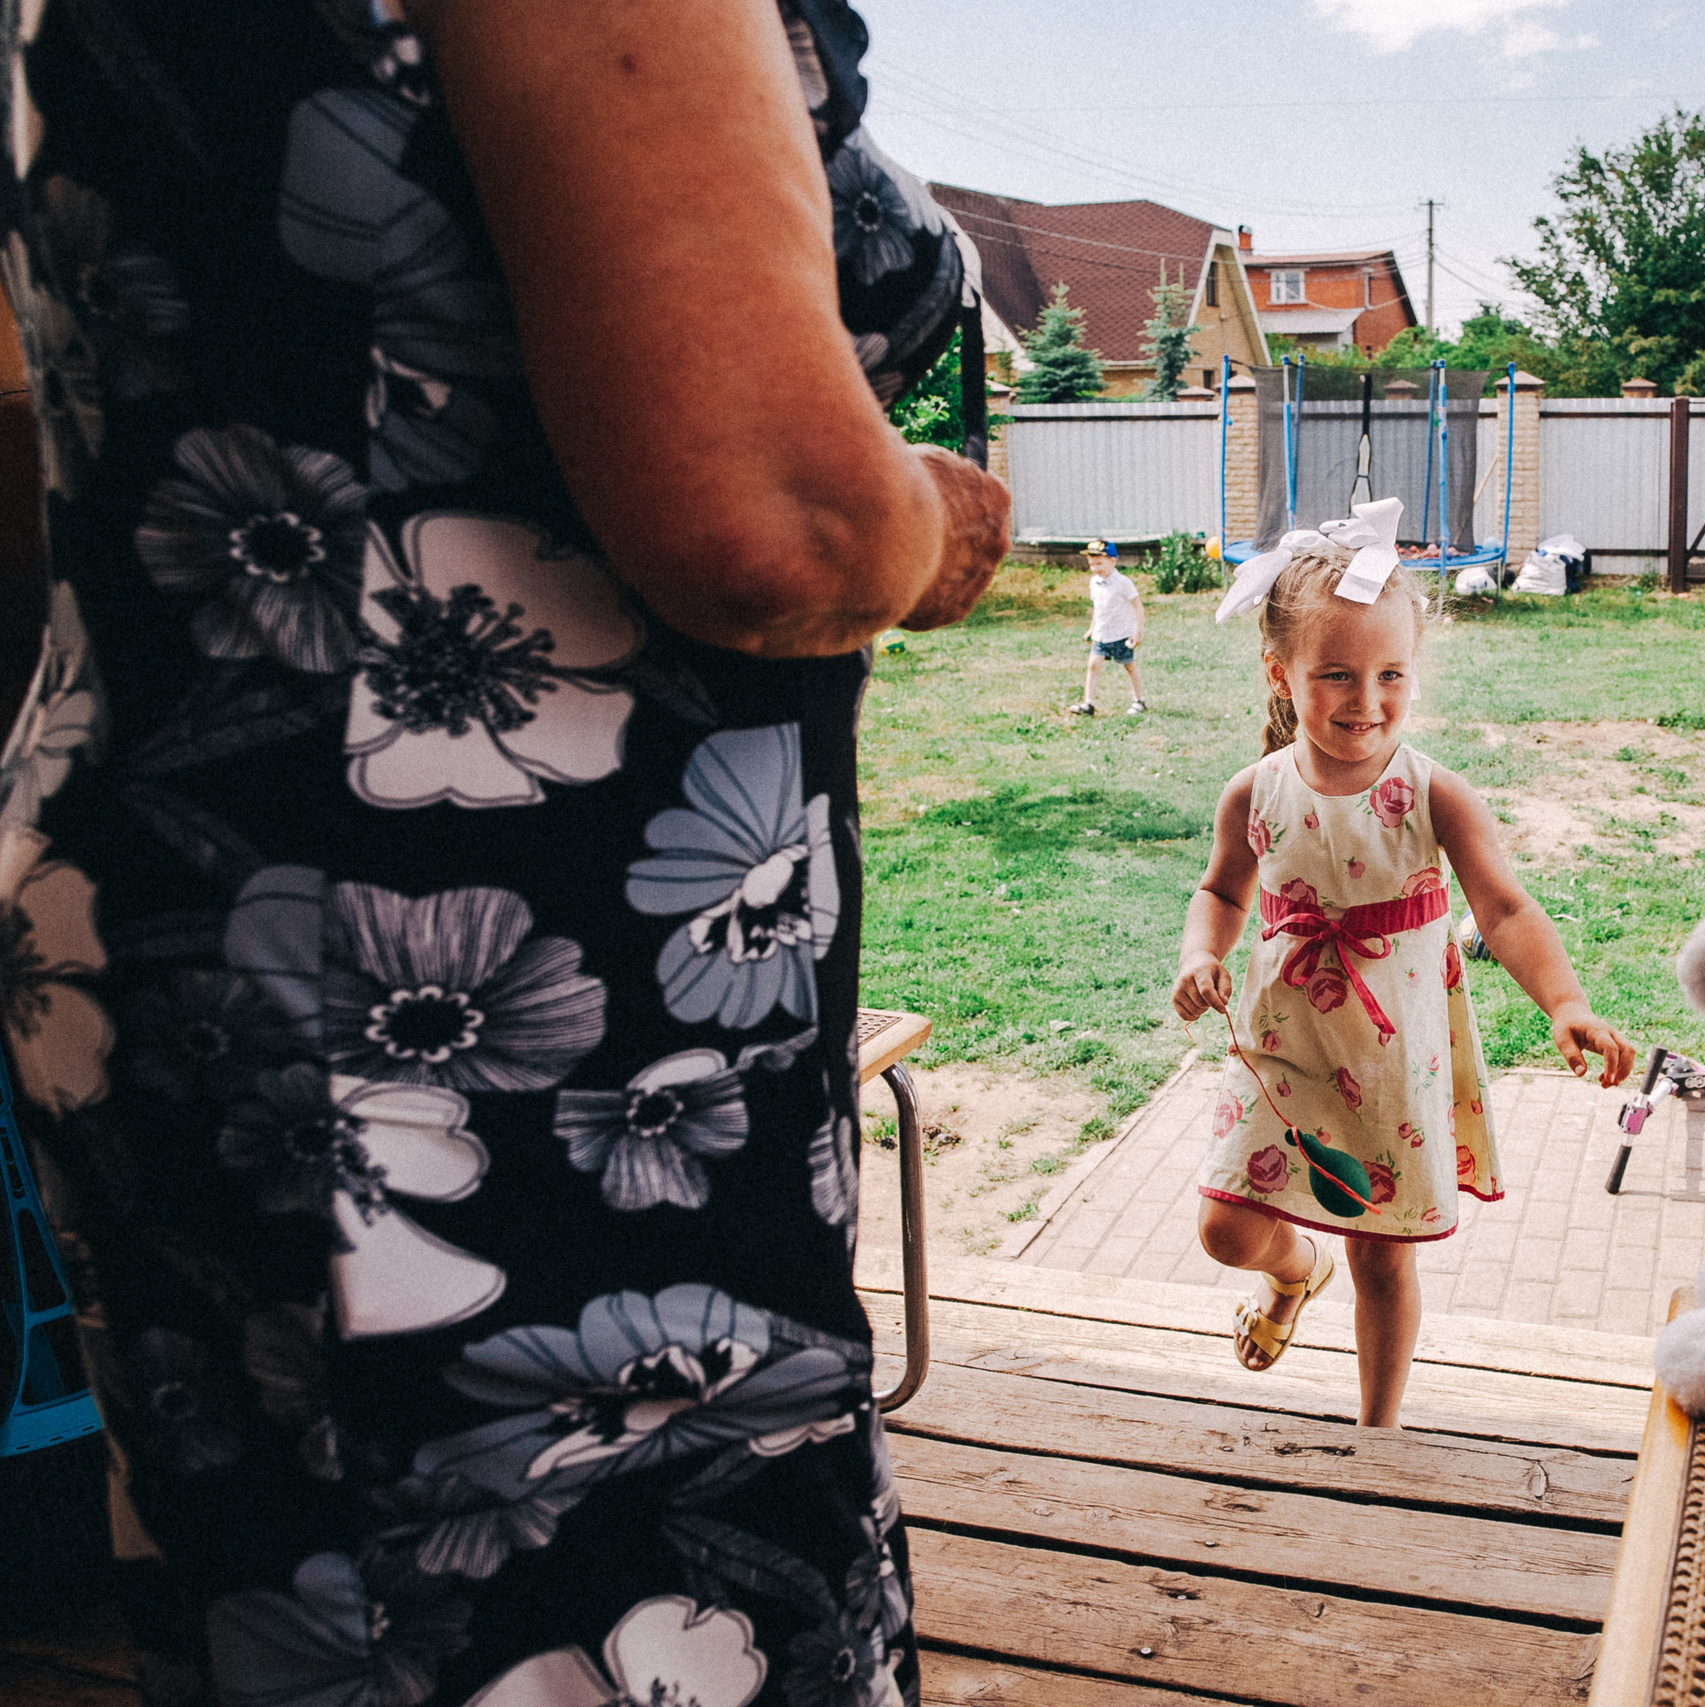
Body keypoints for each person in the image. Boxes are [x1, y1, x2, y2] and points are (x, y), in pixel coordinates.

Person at [0, 2, 1004, 1703]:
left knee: (324, 1601)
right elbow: (766, 523)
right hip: (466, 983)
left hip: (215, 886)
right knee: (596, 1605)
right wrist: (925, 524)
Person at [1168, 517, 1634, 1429]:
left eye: (1390, 675)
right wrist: (1201, 952)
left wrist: (1567, 1002)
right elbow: (1221, 891)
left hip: (1391, 1060)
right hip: (1281, 1045)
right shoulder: (1255, 791)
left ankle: (1376, 1431)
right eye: (1335, 675)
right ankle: (1296, 1271)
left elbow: (1505, 911)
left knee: (1383, 1254)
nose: (1365, 700)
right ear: (1281, 675)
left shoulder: (1433, 794)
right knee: (1226, 1229)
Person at [1070, 541, 1147, 715]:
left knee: (1129, 666)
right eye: (1091, 564)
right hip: (1101, 634)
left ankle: (1139, 700)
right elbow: (1098, 608)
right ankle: (1088, 703)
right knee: (1093, 665)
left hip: (1121, 634)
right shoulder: (1094, 583)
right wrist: (1092, 629)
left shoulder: (1123, 582)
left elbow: (1138, 606)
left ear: (1112, 561)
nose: (1095, 568)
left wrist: (1138, 632)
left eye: (1099, 563)